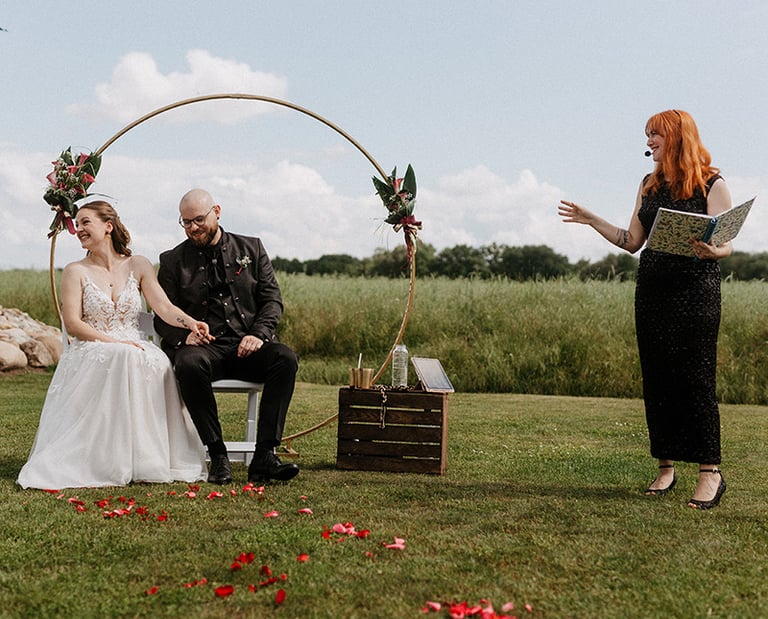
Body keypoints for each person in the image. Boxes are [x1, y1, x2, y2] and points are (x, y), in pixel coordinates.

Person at [558, 109, 731, 510]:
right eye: (647, 136)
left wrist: (711, 250)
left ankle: (710, 474)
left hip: (696, 292)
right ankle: (666, 468)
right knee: (658, 379)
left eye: (655, 135)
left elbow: (727, 244)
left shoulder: (711, 182)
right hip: (652, 291)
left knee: (696, 379)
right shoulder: (648, 185)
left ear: (676, 136)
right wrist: (590, 220)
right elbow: (632, 240)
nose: (649, 142)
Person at [17, 201, 209, 490]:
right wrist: (115, 342)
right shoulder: (74, 271)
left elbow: (164, 308)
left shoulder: (139, 264)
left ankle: (148, 458)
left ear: (108, 226)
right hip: (93, 346)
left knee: (154, 360)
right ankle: (105, 460)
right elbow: (73, 323)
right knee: (123, 355)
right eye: (77, 224)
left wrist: (190, 323)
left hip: (134, 345)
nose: (78, 230)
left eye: (85, 223)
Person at [154, 188, 299, 485]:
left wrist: (259, 334)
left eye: (198, 219)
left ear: (216, 211)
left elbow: (272, 300)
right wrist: (184, 338)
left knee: (285, 358)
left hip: (248, 347)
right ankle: (217, 455)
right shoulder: (172, 261)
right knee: (188, 364)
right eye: (186, 222)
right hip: (204, 350)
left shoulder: (252, 248)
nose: (193, 228)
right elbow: (162, 314)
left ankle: (265, 456)